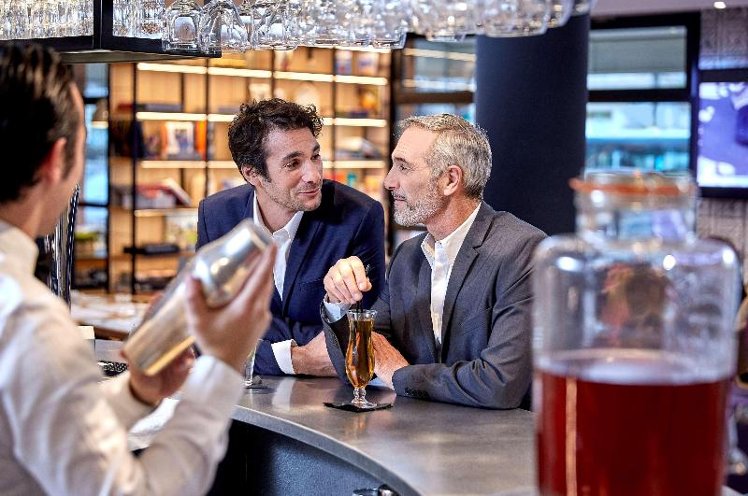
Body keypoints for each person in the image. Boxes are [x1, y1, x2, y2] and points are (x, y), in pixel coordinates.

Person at [0, 43, 277, 494]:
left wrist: (136, 392)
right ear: (55, 160)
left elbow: (51, 436)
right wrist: (222, 366)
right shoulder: (29, 321)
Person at [322, 114, 546, 409]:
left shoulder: (523, 250)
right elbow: (358, 369)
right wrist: (338, 303)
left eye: (403, 167)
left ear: (450, 179)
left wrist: (398, 373)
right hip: (416, 432)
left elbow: (498, 384)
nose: (389, 181)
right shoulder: (407, 256)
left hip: (497, 437)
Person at [197, 98, 385, 377]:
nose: (313, 175)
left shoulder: (359, 216)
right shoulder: (217, 216)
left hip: (328, 397)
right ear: (252, 174)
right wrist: (297, 359)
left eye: (315, 156)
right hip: (240, 392)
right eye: (293, 163)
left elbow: (367, 338)